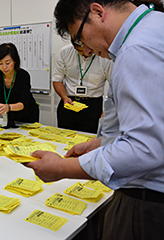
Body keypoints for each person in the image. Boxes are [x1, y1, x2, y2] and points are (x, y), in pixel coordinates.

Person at [24, 0, 164, 239]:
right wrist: (101, 143)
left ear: (98, 12)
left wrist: (62, 168)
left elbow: (146, 148)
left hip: (148, 202)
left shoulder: (136, 49)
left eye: (79, 35)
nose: (85, 47)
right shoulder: (155, 27)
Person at [53, 42, 113, 134]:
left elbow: (114, 84)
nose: (84, 52)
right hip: (69, 102)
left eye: (89, 50)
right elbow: (57, 79)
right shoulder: (65, 52)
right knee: (64, 137)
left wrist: (107, 109)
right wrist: (64, 97)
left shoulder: (105, 56)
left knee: (87, 139)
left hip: (92, 105)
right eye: (80, 50)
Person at [0, 43, 39, 124]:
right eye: (0, 63)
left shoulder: (23, 75)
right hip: (10, 115)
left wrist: (8, 107)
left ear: (15, 61)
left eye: (7, 63)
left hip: (28, 114)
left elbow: (23, 104)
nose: (4, 67)